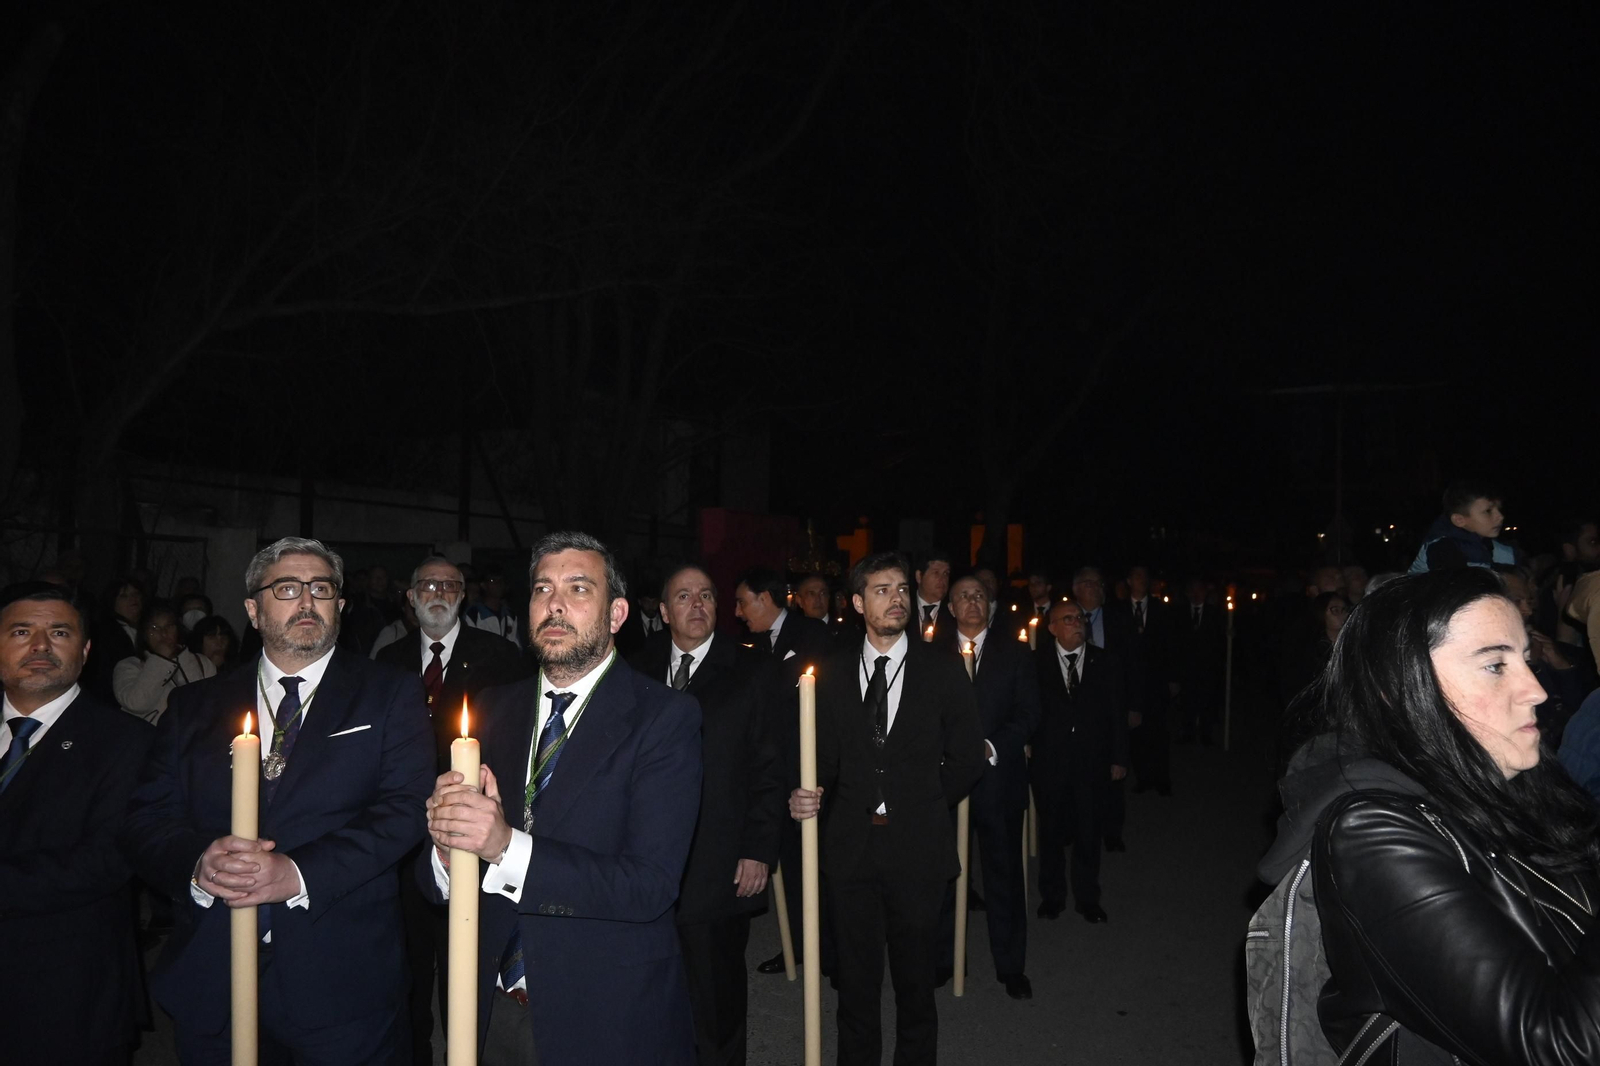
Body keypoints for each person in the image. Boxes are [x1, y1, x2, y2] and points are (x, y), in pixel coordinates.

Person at [1258, 568, 1600, 1062]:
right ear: (1397, 688)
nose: (1537, 690)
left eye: (1526, 659)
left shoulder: (1519, 783)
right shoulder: (1373, 830)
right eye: (1495, 665)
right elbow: (1554, 1046)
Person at [122, 537, 435, 1064]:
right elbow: (145, 819)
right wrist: (199, 861)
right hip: (214, 974)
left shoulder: (389, 693)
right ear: (253, 608)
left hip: (341, 980)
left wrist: (298, 872)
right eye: (287, 588)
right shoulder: (195, 705)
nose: (307, 602)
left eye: (322, 589)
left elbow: (404, 810)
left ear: (341, 603)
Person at [421, 531, 701, 1065]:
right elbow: (433, 879)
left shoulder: (663, 717)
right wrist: (444, 846)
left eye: (577, 589)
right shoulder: (492, 709)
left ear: (617, 614)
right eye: (542, 589)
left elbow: (650, 885)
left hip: (601, 1009)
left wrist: (504, 846)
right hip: (488, 1005)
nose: (554, 604)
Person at [788, 551, 985, 1066]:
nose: (896, 598)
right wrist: (809, 792)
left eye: (901, 589)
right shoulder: (827, 673)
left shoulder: (941, 669)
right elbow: (822, 758)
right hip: (851, 851)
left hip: (917, 851)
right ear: (857, 602)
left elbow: (967, 755)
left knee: (915, 986)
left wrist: (925, 803)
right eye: (881, 590)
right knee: (855, 985)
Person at [376, 554, 527, 1066]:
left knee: (464, 960)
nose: (438, 592)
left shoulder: (501, 657)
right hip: (403, 836)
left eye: (450, 585)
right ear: (411, 596)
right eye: (428, 584)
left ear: (463, 596)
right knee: (410, 966)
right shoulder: (386, 662)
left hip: (474, 830)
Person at [630, 564, 783, 1066]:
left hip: (718, 861)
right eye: (684, 597)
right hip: (645, 858)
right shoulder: (636, 666)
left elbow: (768, 765)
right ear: (664, 610)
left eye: (706, 596)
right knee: (649, 990)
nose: (697, 606)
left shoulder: (751, 669)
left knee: (716, 998)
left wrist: (758, 850)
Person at [0, 582, 155, 1066]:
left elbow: (106, 860)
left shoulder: (125, 742)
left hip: (65, 998)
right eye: (22, 631)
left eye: (59, 632)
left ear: (85, 651)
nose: (40, 646)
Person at [936, 575, 1040, 999]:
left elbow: (1030, 714)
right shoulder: (931, 654)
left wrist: (989, 746)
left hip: (998, 780)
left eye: (979, 595)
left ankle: (1010, 965)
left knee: (1004, 876)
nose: (972, 602)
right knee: (942, 875)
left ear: (989, 604)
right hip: (944, 783)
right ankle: (942, 960)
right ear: (950, 608)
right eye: (963, 596)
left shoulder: (1014, 654)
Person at [733, 563, 835, 977]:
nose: (738, 613)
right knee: (790, 869)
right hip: (775, 773)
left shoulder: (813, 636)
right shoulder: (752, 648)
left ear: (765, 598)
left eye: (742, 602)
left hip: (811, 773)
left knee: (821, 868)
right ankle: (799, 947)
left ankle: (831, 951)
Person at [1030, 601, 1129, 924]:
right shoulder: (1035, 662)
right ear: (1053, 627)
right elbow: (1027, 709)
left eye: (1080, 618)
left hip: (1092, 760)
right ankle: (1052, 895)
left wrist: (1118, 757)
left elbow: (1116, 711)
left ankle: (1088, 897)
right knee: (1051, 832)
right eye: (1068, 618)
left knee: (1089, 830)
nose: (1077, 623)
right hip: (1051, 760)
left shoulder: (1105, 661)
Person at [113, 599, 217, 723]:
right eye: (154, 628)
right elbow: (136, 703)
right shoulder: (128, 666)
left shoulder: (202, 662)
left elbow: (210, 703)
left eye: (169, 626)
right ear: (144, 633)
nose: (163, 633)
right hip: (149, 739)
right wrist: (161, 660)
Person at [1118, 565, 1174, 796]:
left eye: (1145, 576)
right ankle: (1143, 777)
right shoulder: (1118, 610)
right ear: (1129, 580)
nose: (1141, 580)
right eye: (1137, 576)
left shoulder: (1161, 609)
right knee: (1136, 734)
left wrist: (1173, 677)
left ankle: (1161, 778)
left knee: (1158, 731)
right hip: (1130, 682)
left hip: (1156, 680)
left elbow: (1170, 645)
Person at [1409, 479, 1521, 573]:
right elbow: (1460, 588)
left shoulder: (1496, 547)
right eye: (1488, 511)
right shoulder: (1441, 548)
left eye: (1499, 509)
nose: (1500, 516)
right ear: (1459, 520)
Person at [83, 576, 144, 704]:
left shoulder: (149, 628)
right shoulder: (106, 632)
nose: (133, 599)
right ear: (112, 601)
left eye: (136, 594)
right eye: (124, 596)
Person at [464, 563, 523, 647]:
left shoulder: (510, 615)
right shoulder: (473, 614)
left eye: (501, 581)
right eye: (493, 581)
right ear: (483, 585)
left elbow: (515, 646)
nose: (498, 584)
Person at [912, 549, 953, 641]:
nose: (942, 579)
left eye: (946, 573)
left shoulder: (953, 612)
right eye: (936, 572)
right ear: (919, 576)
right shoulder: (905, 607)